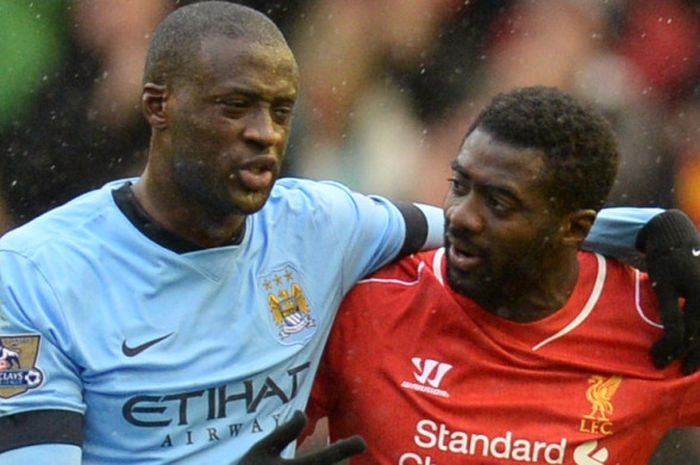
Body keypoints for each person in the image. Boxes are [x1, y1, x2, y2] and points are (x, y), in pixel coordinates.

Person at [0, 2, 693, 464]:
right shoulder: (34, 274)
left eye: (280, 111)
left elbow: (475, 224)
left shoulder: (321, 225)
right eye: (235, 107)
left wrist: (653, 230)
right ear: (158, 105)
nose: (264, 135)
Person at [305, 87, 700, 464]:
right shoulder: (370, 305)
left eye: (497, 203)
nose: (460, 217)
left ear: (574, 229)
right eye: (459, 186)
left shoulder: (658, 324)